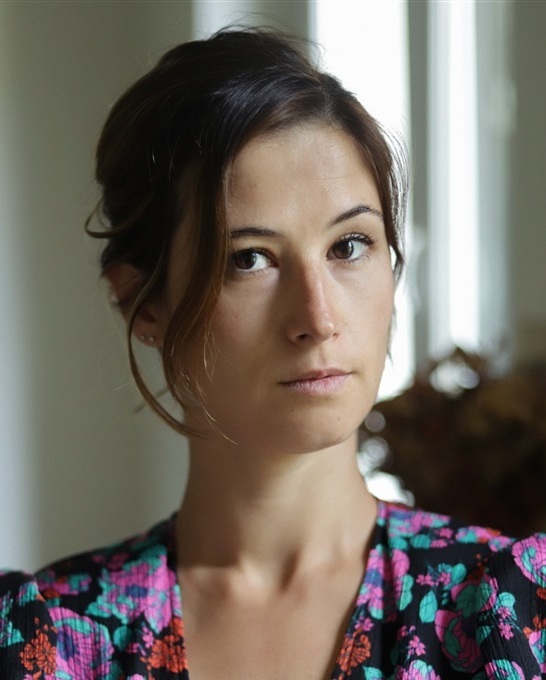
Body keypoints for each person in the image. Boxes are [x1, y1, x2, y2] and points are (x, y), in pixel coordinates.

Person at [1, 26, 545, 680]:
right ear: (143, 304)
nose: (318, 318)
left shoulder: (509, 610)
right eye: (250, 259)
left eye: (349, 246)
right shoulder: (50, 641)